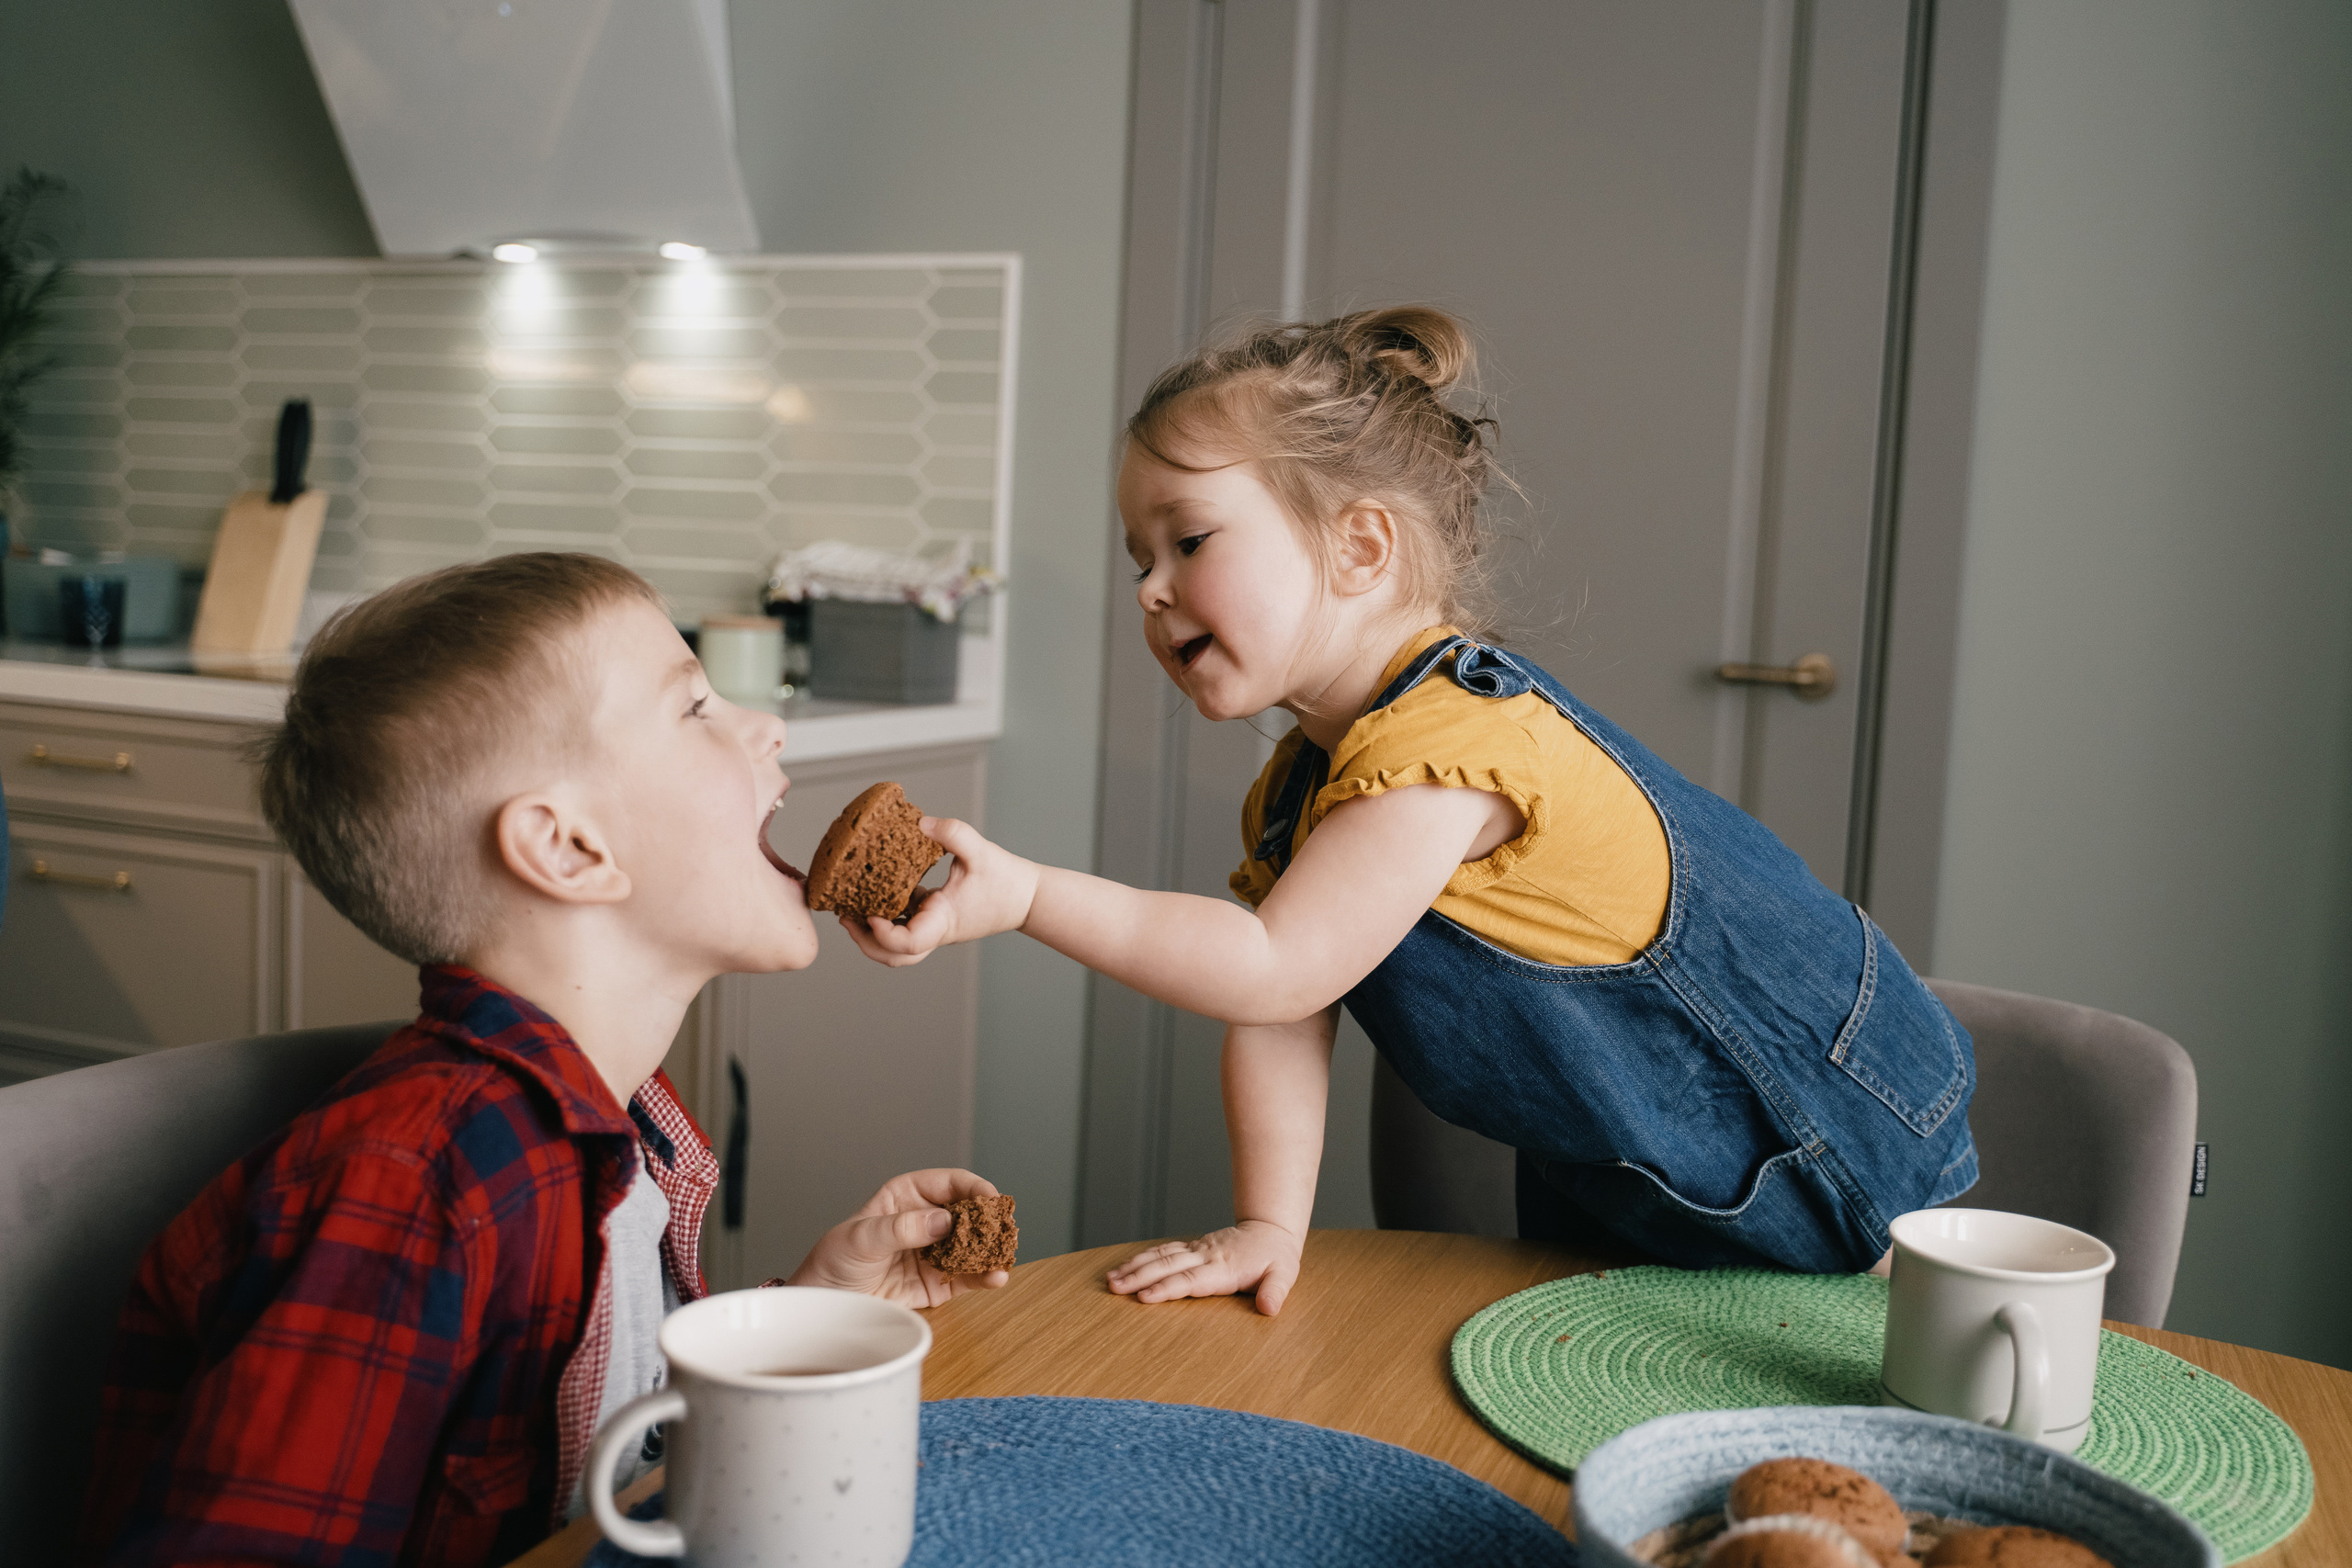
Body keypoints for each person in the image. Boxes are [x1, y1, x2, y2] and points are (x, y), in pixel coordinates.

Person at [850, 307, 1976, 1316]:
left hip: (1814, 1140)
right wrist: (1267, 1223)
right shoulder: (1304, 785)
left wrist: (1033, 895)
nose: (1149, 588)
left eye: (1188, 540)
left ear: (1359, 546)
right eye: (1139, 556)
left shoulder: (1451, 751)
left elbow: (1269, 968)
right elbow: (1287, 1012)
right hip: (1640, 1178)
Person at [79, 554, 1007, 1567]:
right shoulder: (417, 1186)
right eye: (695, 707)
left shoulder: (614, 1124)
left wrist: (811, 1317)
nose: (766, 725)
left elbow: (621, 1458)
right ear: (568, 849)